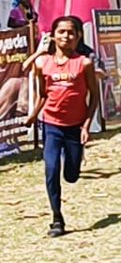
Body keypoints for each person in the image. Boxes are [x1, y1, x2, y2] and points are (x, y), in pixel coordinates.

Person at [26, 16, 100, 237]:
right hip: (51, 124)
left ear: (78, 36)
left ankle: (74, 161)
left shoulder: (84, 63)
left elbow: (94, 96)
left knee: (71, 175)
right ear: (53, 35)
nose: (66, 36)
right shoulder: (42, 64)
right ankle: (57, 218)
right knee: (51, 169)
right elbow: (42, 94)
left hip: (75, 127)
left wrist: (86, 125)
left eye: (71, 32)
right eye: (61, 32)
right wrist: (33, 115)